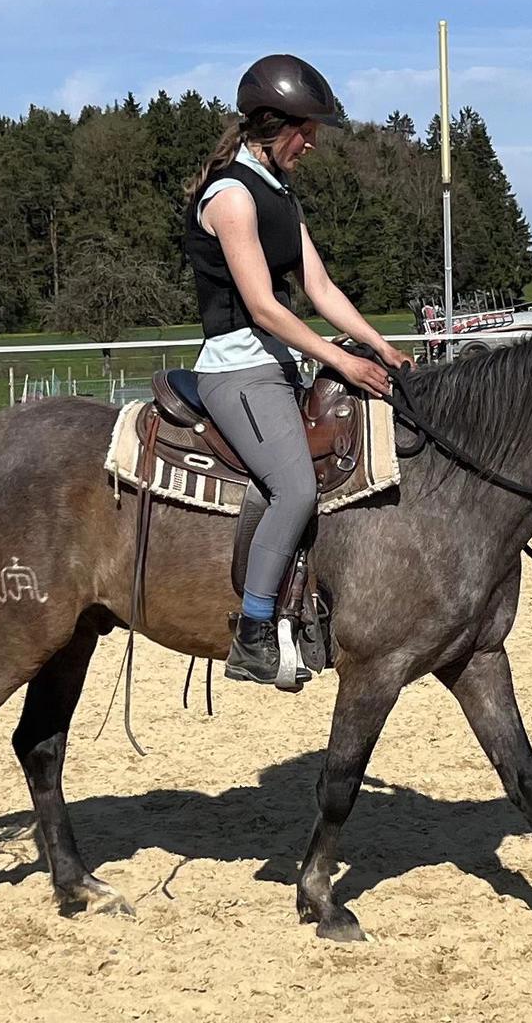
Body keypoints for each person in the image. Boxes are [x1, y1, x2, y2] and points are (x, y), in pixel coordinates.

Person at [182, 54, 412, 687]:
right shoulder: (231, 196)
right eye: (304, 129)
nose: (312, 142)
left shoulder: (279, 192)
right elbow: (261, 305)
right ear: (268, 121)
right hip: (238, 369)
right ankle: (253, 634)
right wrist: (340, 359)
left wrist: (380, 346)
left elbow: (319, 286)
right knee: (296, 488)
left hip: (276, 366)